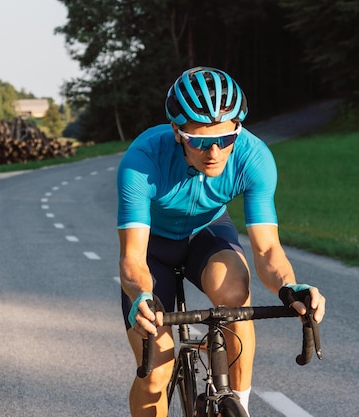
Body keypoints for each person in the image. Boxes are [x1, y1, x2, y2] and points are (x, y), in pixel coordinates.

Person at [117, 66, 326, 417]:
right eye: (199, 140)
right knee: (156, 373)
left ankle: (238, 401)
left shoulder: (253, 157)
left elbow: (267, 249)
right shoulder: (142, 162)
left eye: (225, 138)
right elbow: (132, 258)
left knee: (233, 294)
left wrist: (289, 286)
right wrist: (141, 295)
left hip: (207, 234)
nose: (214, 151)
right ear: (177, 132)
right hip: (154, 249)